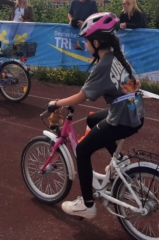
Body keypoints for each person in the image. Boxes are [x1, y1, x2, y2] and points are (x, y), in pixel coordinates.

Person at [47, 12, 144, 219]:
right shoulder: (117, 56)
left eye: (87, 41)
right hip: (133, 111)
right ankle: (121, 162)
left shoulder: (103, 64)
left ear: (97, 42)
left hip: (122, 119)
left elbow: (82, 97)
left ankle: (87, 205)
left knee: (82, 150)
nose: (86, 45)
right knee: (92, 120)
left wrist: (56, 103)